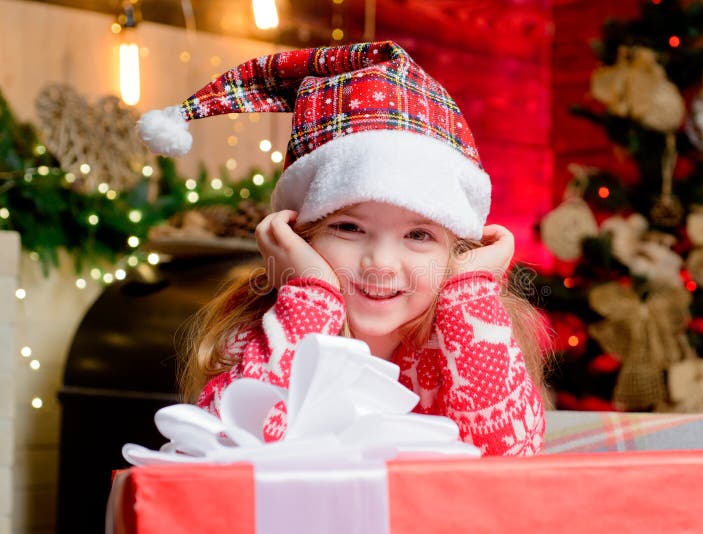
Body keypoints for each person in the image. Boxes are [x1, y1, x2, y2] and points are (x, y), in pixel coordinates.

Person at [138, 40, 550, 456]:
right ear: (301, 236)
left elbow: (510, 460)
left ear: (456, 250)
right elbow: (233, 453)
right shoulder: (265, 335)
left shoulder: (468, 333)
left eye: (419, 235)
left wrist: (469, 293)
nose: (382, 264)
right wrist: (311, 292)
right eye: (350, 227)